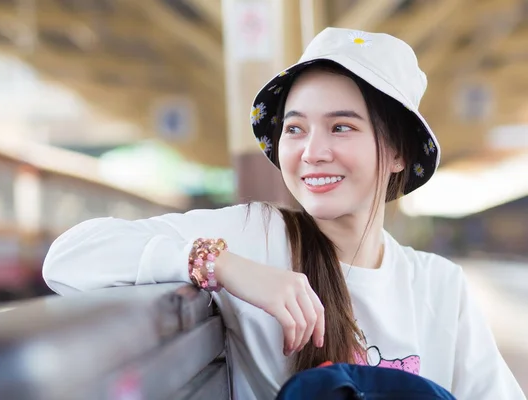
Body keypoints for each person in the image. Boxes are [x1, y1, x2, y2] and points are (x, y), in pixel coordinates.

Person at [42, 27, 525, 400]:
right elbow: (68, 256)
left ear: (397, 151)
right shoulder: (256, 235)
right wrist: (221, 265)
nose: (312, 152)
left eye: (341, 127)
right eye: (295, 129)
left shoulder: (440, 288)